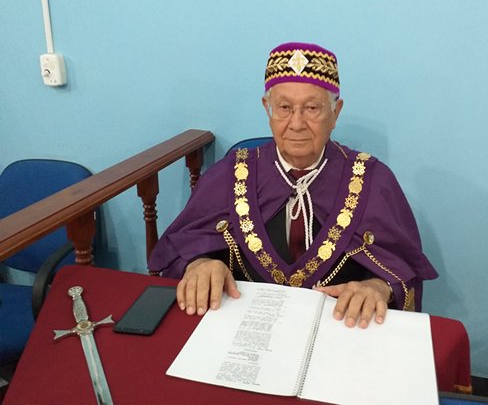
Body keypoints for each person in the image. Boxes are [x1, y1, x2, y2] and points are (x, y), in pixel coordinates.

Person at [148, 42, 438, 328]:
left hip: (341, 330)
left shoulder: (374, 181)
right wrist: (199, 264)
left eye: (312, 108)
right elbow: (181, 247)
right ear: (268, 109)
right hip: (243, 329)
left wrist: (378, 286)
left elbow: (403, 270)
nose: (297, 124)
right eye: (284, 107)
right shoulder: (229, 174)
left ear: (335, 113)